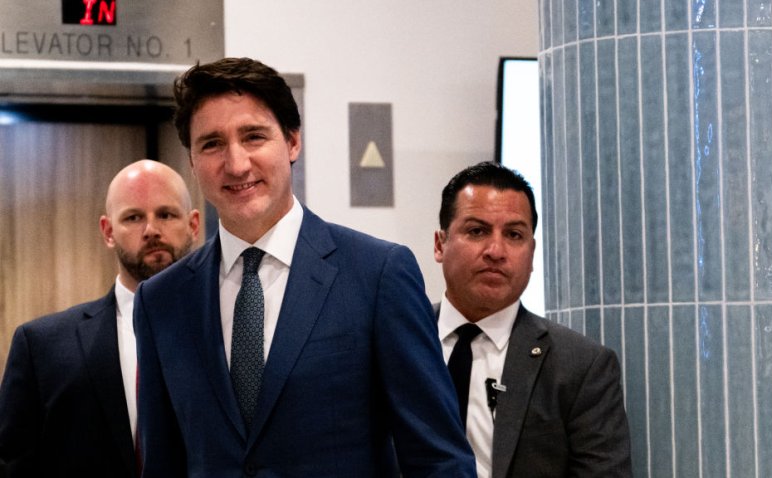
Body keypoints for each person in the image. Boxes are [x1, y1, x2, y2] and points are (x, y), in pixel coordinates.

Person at [133, 57, 475, 477]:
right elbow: (162, 465)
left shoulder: (377, 275)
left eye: (253, 137)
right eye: (212, 144)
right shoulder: (161, 301)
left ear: (293, 142)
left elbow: (438, 458)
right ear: (191, 162)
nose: (236, 163)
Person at [0, 159, 200, 477]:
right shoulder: (41, 346)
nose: (151, 230)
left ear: (193, 224)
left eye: (166, 214)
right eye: (133, 217)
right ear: (108, 232)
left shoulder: (228, 332)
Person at [433, 161, 632, 477]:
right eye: (477, 231)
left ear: (532, 252)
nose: (496, 250)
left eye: (514, 234)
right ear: (440, 244)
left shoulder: (581, 367)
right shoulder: (393, 343)